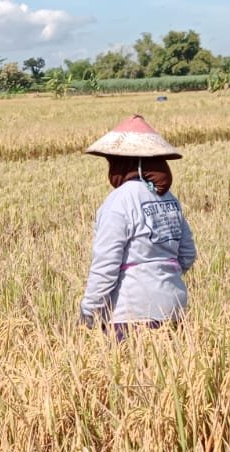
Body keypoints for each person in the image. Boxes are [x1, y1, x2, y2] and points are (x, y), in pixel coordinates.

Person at [77, 115, 197, 339]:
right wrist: (162, 274)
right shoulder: (169, 199)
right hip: (174, 307)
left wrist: (88, 309)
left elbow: (106, 266)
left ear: (126, 163)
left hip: (130, 313)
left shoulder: (118, 202)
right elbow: (188, 254)